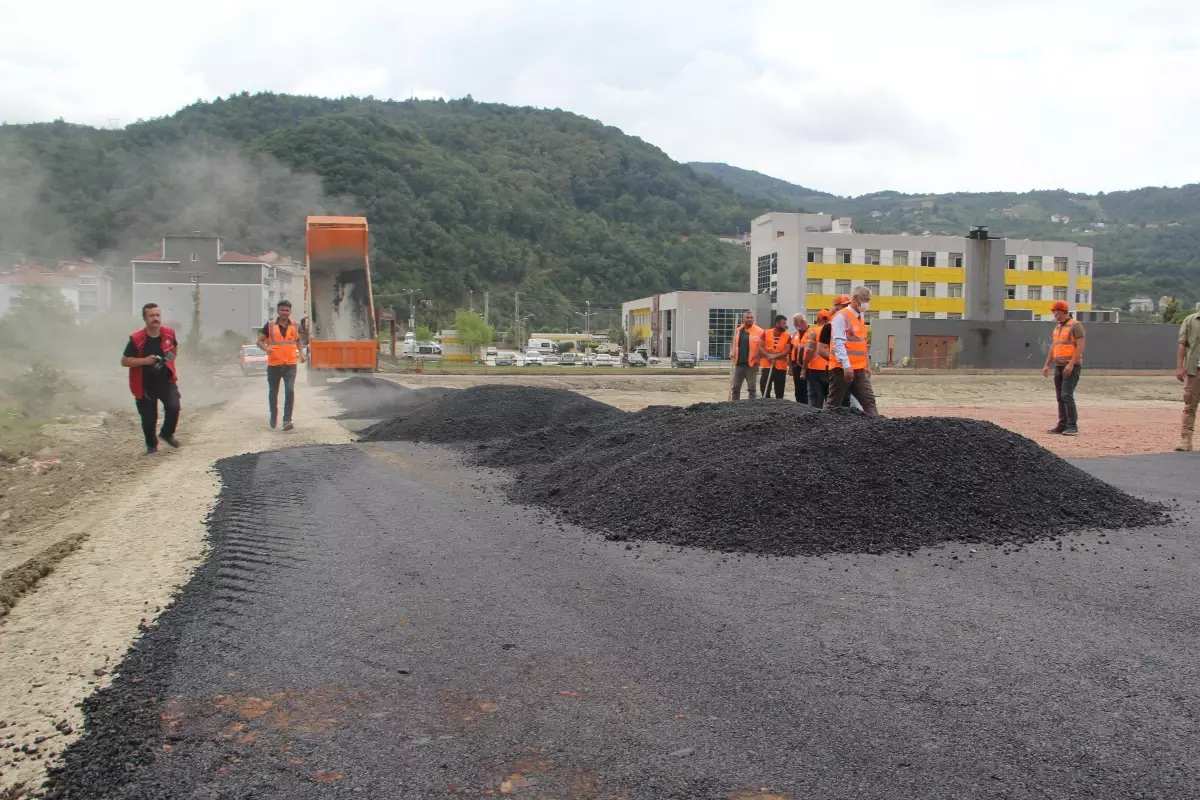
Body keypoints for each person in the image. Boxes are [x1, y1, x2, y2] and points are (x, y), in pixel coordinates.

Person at [121, 303, 181, 454]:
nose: (155, 319)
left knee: (174, 406)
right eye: (151, 316)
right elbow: (125, 361)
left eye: (157, 315)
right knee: (149, 418)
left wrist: (165, 361)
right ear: (144, 319)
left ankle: (167, 434)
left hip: (166, 380)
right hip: (144, 384)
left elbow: (174, 349)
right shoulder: (136, 339)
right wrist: (145, 361)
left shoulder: (169, 333)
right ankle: (152, 445)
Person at [826, 287, 879, 416]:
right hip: (841, 369)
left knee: (869, 401)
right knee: (834, 404)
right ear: (855, 299)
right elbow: (838, 343)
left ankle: (878, 428)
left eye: (869, 300)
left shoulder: (860, 318)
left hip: (859, 370)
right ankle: (823, 430)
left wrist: (867, 365)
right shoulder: (841, 317)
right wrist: (846, 366)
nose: (867, 303)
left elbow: (862, 344)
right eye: (865, 300)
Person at [257, 299, 307, 430]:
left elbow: (298, 341)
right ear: (278, 311)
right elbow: (259, 341)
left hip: (290, 364)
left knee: (290, 390)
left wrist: (301, 354)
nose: (284, 312)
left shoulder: (295, 325)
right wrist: (266, 349)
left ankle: (287, 420)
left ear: (290, 312)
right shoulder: (269, 326)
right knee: (274, 392)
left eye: (287, 310)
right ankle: (273, 417)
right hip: (274, 365)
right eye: (282, 310)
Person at [1041, 299, 1086, 436]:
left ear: (1061, 312)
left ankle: (1072, 426)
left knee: (1067, 394)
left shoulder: (1076, 325)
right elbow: (1054, 347)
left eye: (1055, 312)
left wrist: (1071, 364)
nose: (1054, 314)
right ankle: (1062, 424)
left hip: (1071, 366)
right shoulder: (1058, 327)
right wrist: (1047, 364)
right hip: (1059, 365)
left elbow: (1081, 346)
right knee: (1060, 396)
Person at [1174, 308, 1199, 451]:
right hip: (1194, 370)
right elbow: (1182, 343)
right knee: (1190, 405)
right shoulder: (1190, 320)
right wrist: (1180, 366)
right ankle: (1186, 440)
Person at [729, 311, 766, 401]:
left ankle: (751, 408)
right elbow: (733, 343)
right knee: (735, 388)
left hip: (752, 364)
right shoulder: (738, 330)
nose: (749, 319)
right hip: (739, 363)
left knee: (752, 388)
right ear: (744, 319)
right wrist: (731, 352)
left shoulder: (760, 331)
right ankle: (734, 406)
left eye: (751, 318)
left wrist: (759, 358)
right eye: (747, 318)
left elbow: (764, 346)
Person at [804, 309, 833, 408]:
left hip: (815, 370)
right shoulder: (833, 330)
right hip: (830, 368)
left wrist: (804, 368)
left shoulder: (814, 332)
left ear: (817, 320)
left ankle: (815, 421)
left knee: (815, 399)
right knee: (830, 399)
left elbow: (808, 351)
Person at [759, 315, 792, 399]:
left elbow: (787, 350)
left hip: (780, 368)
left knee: (779, 392)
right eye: (783, 323)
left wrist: (774, 356)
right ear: (777, 324)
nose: (785, 325)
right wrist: (768, 356)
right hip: (767, 366)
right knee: (764, 389)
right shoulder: (766, 333)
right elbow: (760, 347)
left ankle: (779, 408)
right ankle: (766, 405)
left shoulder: (787, 336)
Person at [789, 313, 809, 404]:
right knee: (798, 390)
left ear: (802, 321)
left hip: (808, 366)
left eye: (795, 322)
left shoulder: (812, 332)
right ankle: (799, 405)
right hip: (796, 366)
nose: (794, 324)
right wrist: (790, 366)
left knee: (807, 389)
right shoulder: (794, 334)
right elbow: (791, 350)